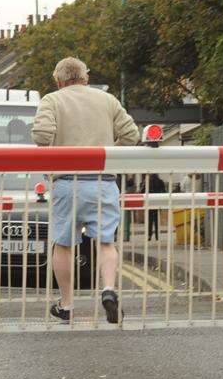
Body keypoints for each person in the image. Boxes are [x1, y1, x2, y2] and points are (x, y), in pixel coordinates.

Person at [31, 57, 139, 324]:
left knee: (64, 245)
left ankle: (67, 305)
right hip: (102, 182)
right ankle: (108, 289)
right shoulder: (108, 100)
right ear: (86, 77)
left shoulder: (51, 100)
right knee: (105, 242)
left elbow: (42, 135)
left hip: (67, 183)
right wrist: (111, 153)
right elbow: (132, 136)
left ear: (58, 80)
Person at [142, 173, 166, 241]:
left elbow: (142, 191)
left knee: (149, 220)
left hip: (149, 202)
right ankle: (157, 236)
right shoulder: (160, 181)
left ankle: (149, 235)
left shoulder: (147, 182)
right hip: (157, 202)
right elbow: (164, 191)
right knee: (156, 220)